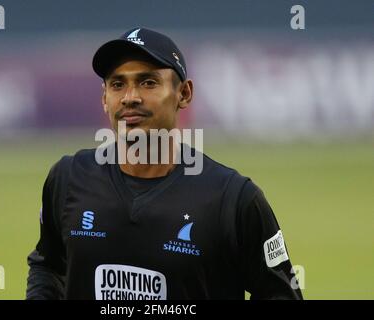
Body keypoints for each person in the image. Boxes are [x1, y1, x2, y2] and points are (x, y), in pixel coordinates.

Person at [26, 27, 303, 300]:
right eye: (117, 84)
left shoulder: (233, 199)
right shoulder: (68, 178)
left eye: (148, 82)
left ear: (184, 94)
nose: (130, 97)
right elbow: (48, 267)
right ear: (104, 99)